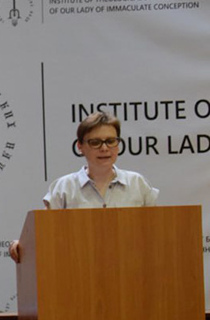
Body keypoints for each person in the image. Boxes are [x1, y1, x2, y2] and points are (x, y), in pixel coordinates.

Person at [9, 111, 159, 262]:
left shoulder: (138, 183)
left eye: (111, 141)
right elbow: (46, 234)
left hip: (131, 268)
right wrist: (22, 245)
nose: (105, 148)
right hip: (78, 270)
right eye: (95, 142)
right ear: (80, 146)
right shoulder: (64, 187)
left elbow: (156, 230)